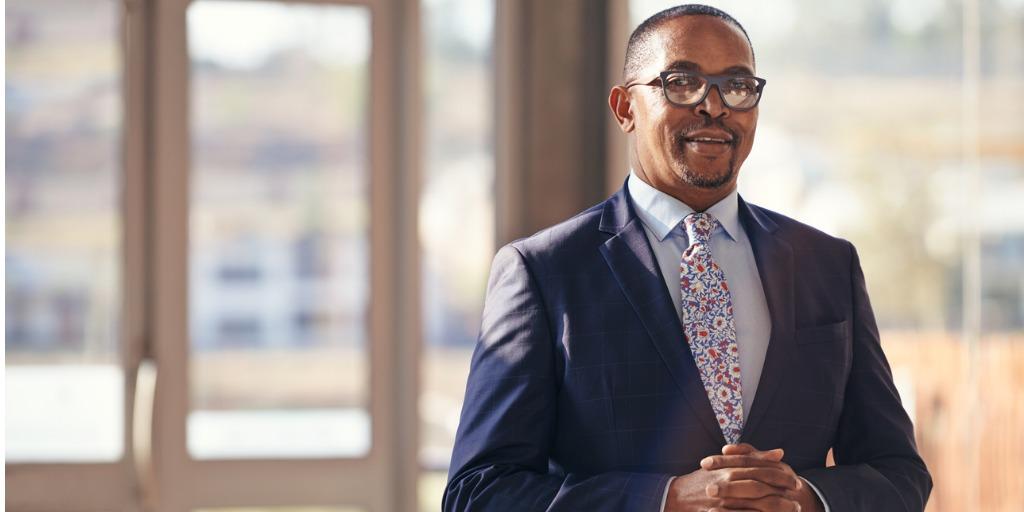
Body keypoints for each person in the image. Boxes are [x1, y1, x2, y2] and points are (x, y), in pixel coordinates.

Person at [443, 4, 932, 511]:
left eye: (737, 86)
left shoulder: (827, 266)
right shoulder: (543, 273)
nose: (714, 107)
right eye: (682, 83)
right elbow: (478, 493)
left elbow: (899, 474)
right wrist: (666, 500)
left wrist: (806, 499)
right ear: (625, 108)